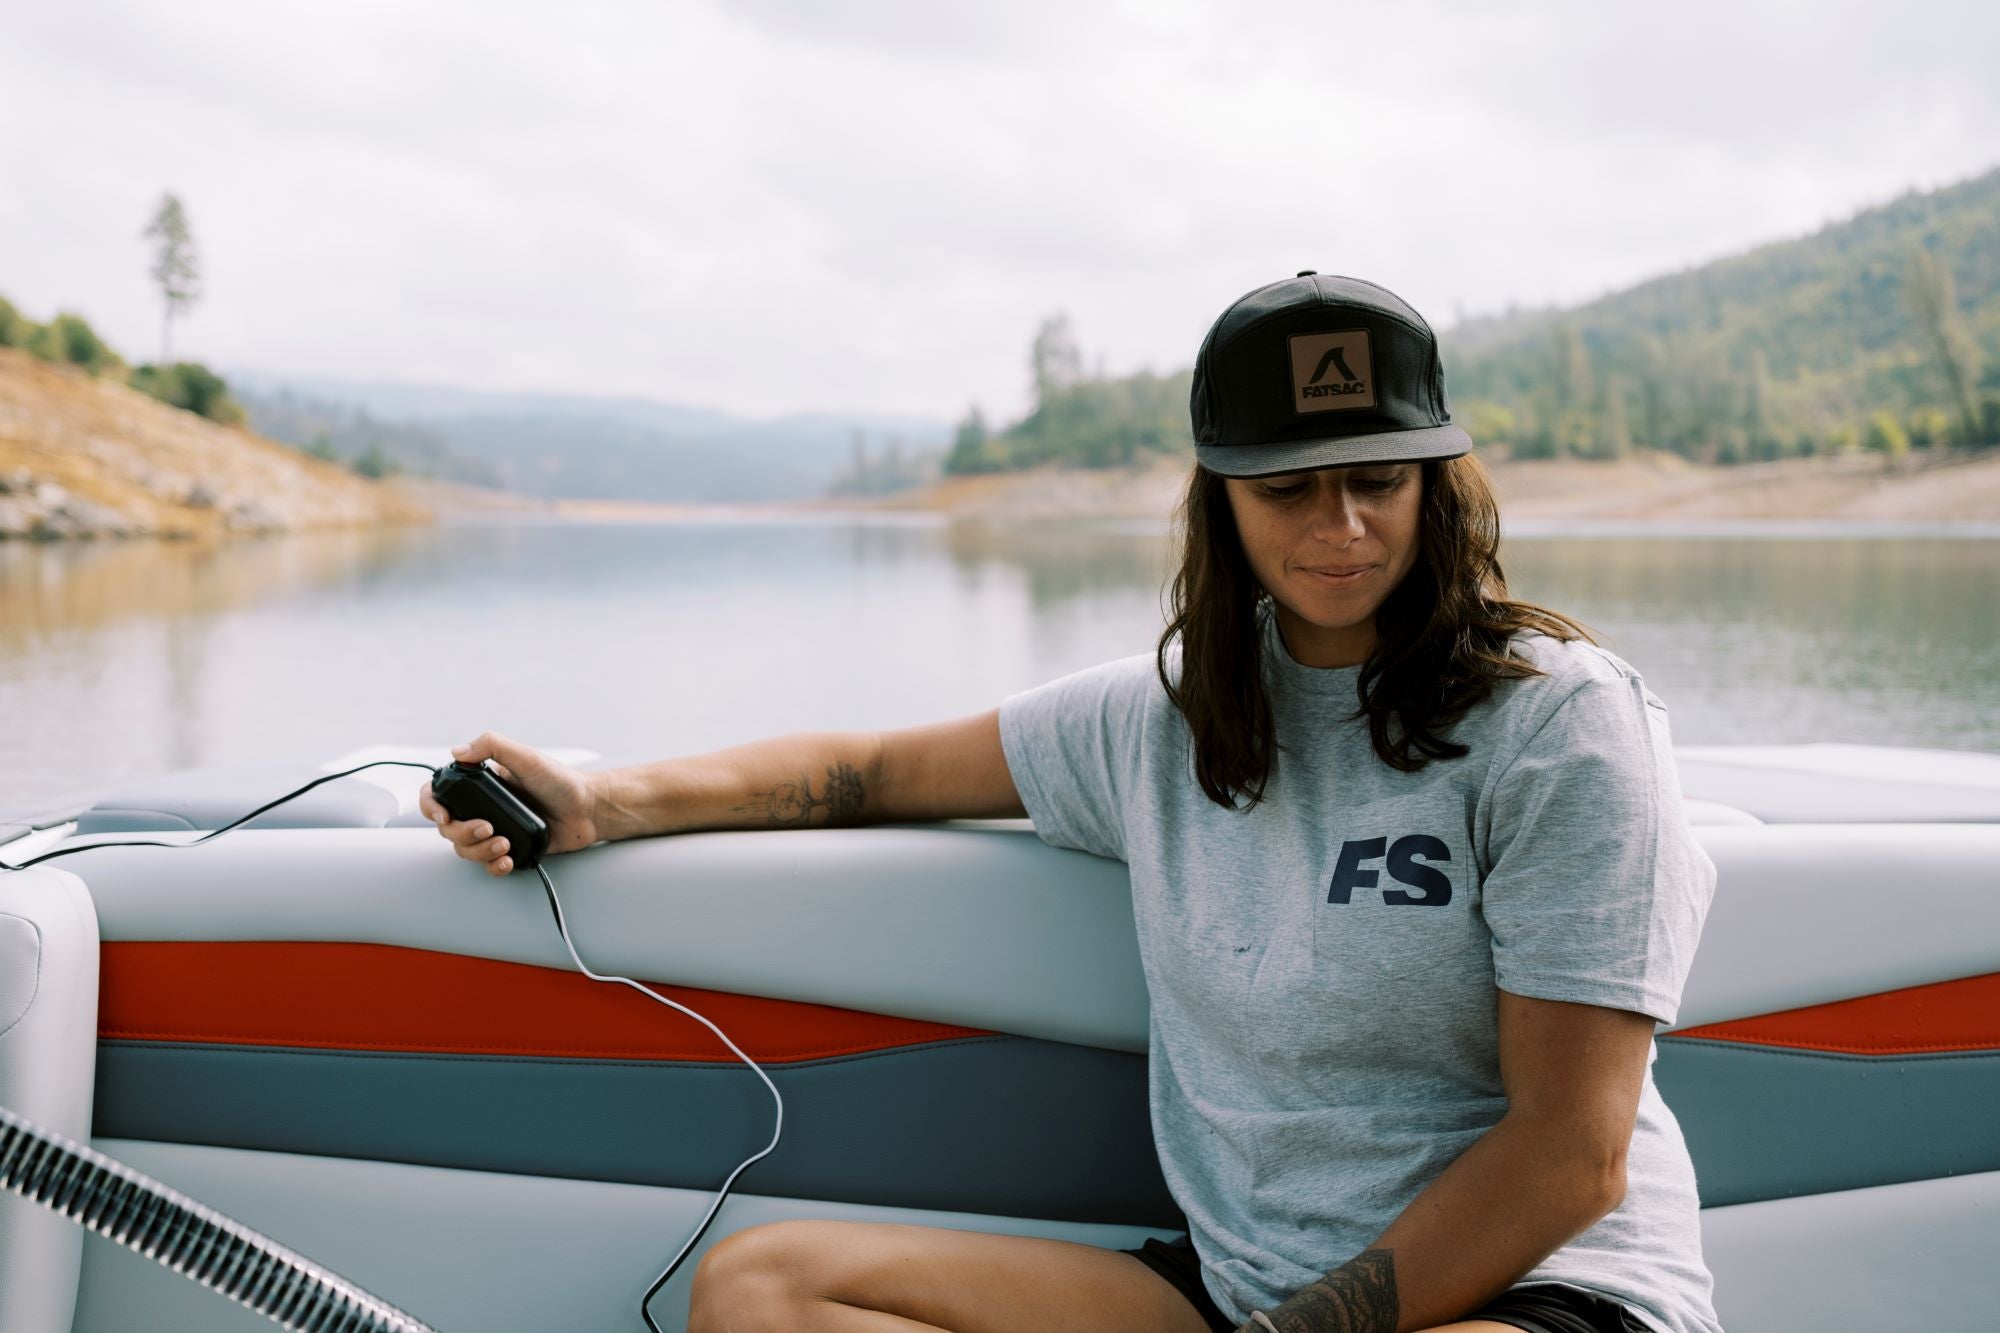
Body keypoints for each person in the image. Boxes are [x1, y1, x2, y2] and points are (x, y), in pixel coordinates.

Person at [418, 273, 1720, 1333]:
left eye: (1377, 479)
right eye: (1287, 488)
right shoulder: (1160, 721)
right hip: (1244, 1293)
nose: (1341, 525)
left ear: (1435, 483)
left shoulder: (1556, 720)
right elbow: (869, 771)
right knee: (765, 1291)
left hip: (1542, 1291)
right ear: (1221, 498)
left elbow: (1571, 1154)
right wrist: (603, 802)